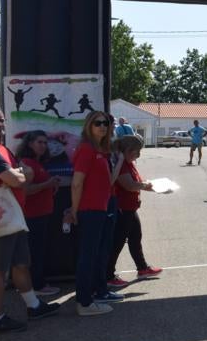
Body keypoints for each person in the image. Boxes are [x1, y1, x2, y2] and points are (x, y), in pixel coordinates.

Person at [0, 107, 61, 329]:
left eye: (1, 121)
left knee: (21, 264)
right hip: (1, 219)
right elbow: (18, 180)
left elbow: (17, 176)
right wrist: (23, 174)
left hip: (13, 216)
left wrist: (19, 174)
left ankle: (33, 306)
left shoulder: (1, 148)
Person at [68, 110, 125, 316]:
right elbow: (77, 183)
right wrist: (74, 210)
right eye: (97, 123)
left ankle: (93, 296)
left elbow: (107, 182)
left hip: (100, 209)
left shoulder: (99, 150)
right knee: (88, 257)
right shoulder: (86, 149)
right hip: (89, 210)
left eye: (105, 123)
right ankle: (84, 302)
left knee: (95, 254)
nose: (102, 126)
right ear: (89, 126)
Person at [107, 134, 162, 286]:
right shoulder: (121, 164)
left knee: (135, 238)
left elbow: (137, 183)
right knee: (118, 242)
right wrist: (146, 186)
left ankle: (142, 268)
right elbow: (129, 185)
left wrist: (156, 187)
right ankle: (108, 275)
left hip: (130, 208)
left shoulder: (129, 163)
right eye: (137, 151)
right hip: (123, 208)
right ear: (128, 150)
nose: (139, 155)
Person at [15, 130, 62, 297]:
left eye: (45, 142)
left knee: (38, 251)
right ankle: (37, 285)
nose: (43, 146)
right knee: (35, 252)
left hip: (41, 214)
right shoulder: (27, 164)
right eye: (39, 142)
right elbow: (24, 190)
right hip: (32, 215)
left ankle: (35, 284)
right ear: (30, 144)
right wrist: (47, 184)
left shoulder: (37, 162)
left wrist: (50, 185)